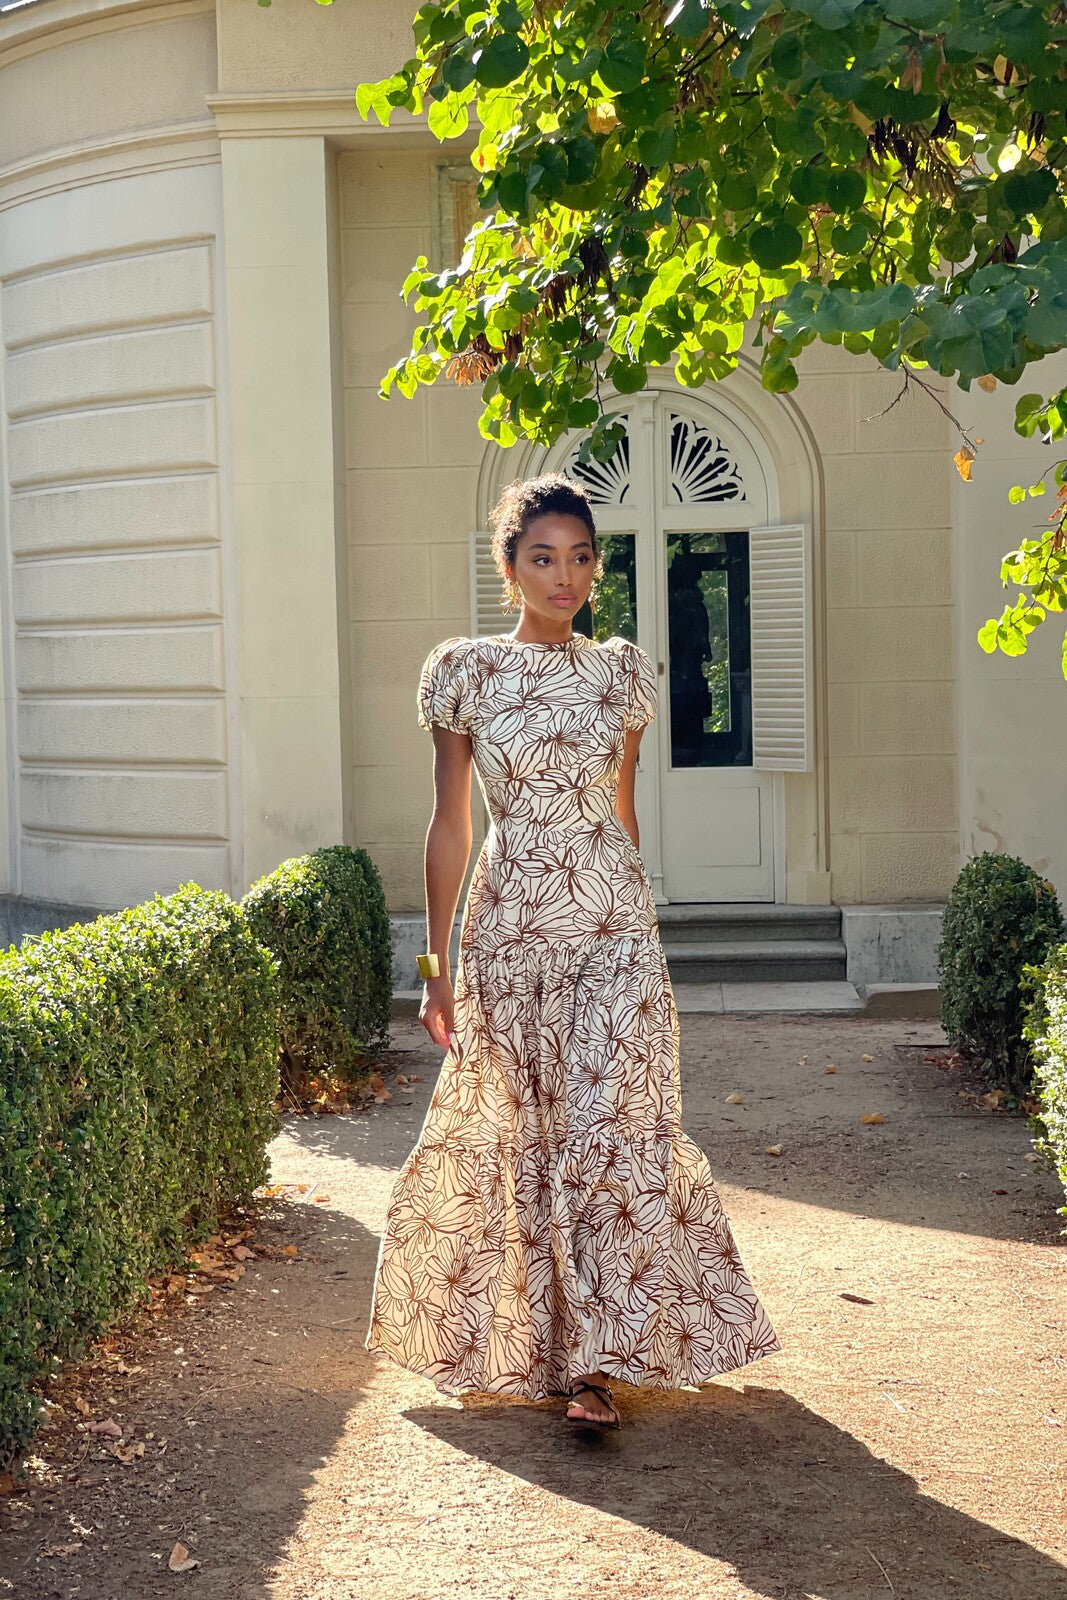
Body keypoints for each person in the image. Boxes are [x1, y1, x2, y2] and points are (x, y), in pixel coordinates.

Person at [365, 473, 780, 1429]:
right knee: (529, 1139)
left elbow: (623, 810)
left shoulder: (622, 671)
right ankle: (544, 1348)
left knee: (612, 1130)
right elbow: (448, 825)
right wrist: (434, 969)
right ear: (508, 567)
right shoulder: (464, 671)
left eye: (581, 557)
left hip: (615, 936)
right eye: (543, 558)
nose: (566, 576)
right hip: (511, 938)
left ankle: (598, 1363)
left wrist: (640, 918)